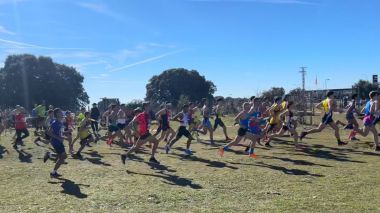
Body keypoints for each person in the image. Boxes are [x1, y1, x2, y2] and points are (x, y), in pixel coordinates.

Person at [43, 108, 68, 178]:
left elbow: (60, 133)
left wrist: (66, 134)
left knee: (61, 157)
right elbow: (48, 132)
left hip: (59, 142)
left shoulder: (60, 122)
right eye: (60, 112)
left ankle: (50, 155)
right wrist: (58, 138)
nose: (62, 113)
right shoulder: (54, 122)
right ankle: (53, 172)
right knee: (63, 156)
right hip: (55, 142)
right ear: (57, 114)